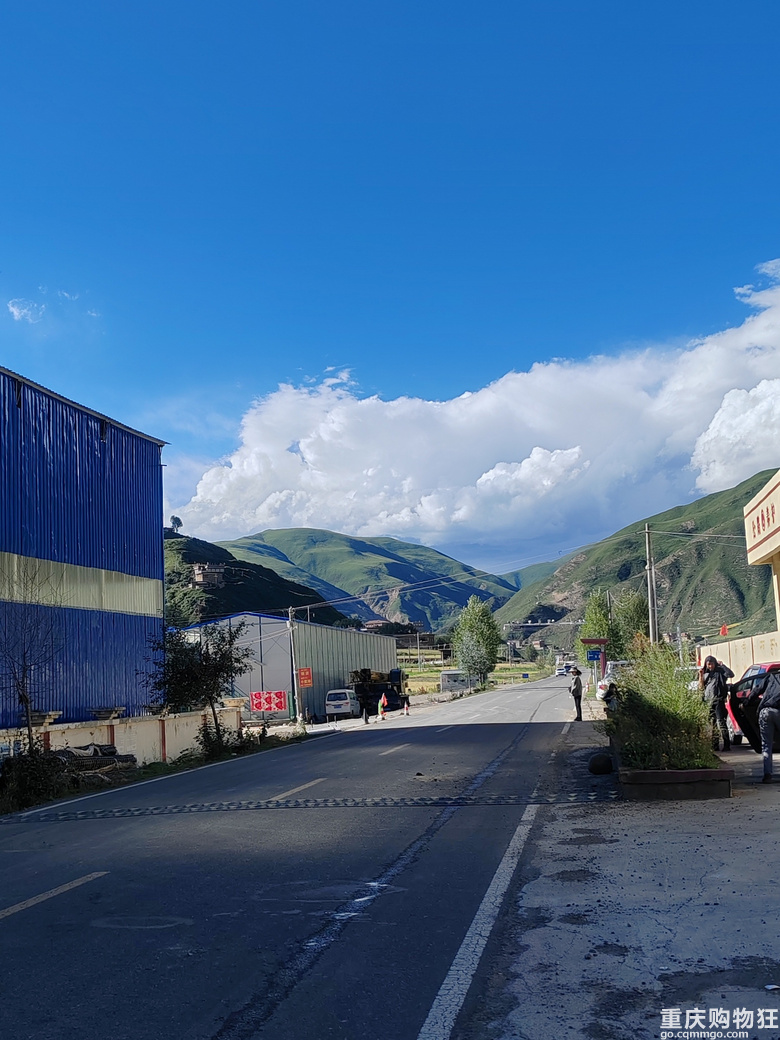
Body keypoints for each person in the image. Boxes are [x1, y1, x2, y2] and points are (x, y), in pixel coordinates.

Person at [745, 665, 780, 782]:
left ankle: (767, 775)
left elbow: (756, 690)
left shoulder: (771, 677)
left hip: (766, 711)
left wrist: (746, 702)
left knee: (766, 745)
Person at [699, 655, 734, 752]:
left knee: (721, 722)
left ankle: (726, 745)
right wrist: (700, 676)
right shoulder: (705, 674)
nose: (710, 666)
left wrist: (723, 665)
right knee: (712, 723)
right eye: (708, 664)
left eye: (712, 664)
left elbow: (731, 674)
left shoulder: (720, 672)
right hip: (708, 701)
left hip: (718, 700)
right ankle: (715, 745)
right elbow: (701, 687)